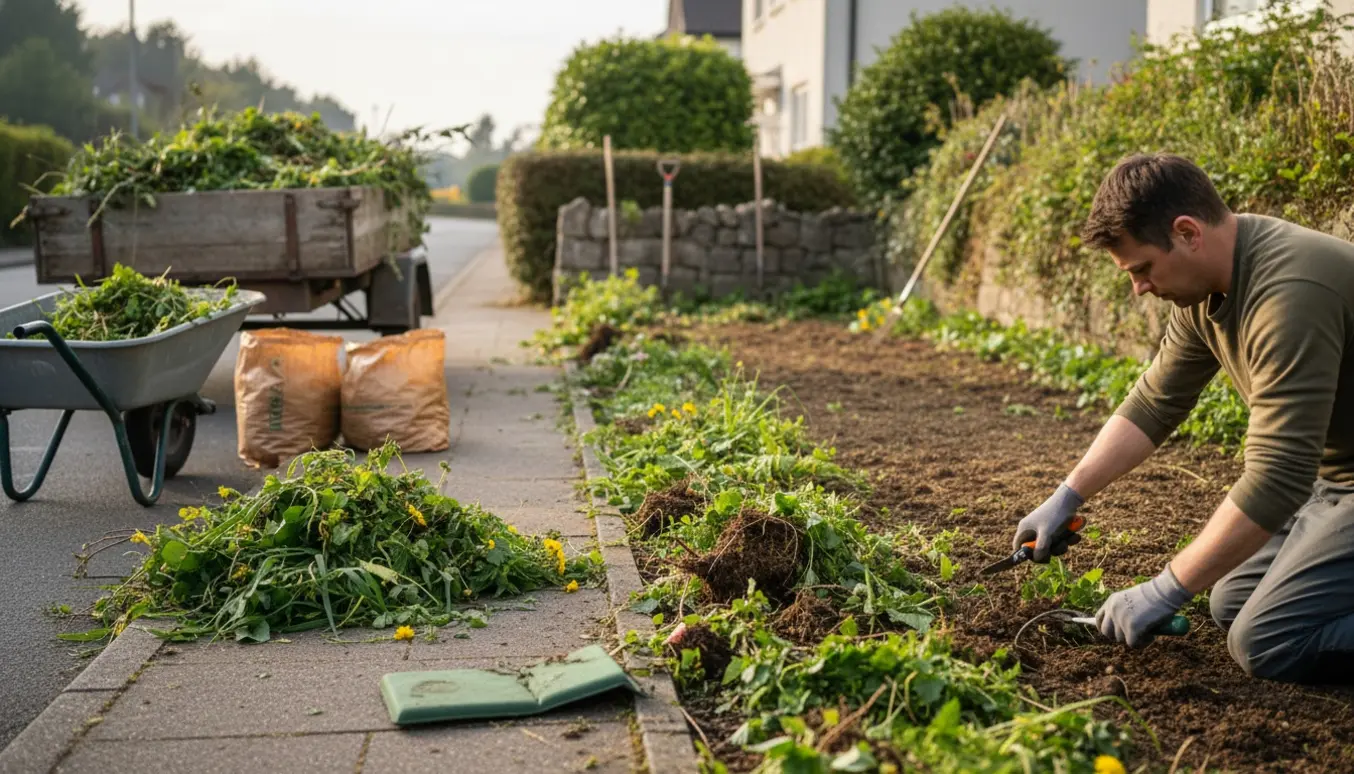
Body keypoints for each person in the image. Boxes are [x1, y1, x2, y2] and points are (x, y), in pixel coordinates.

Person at [1011, 152, 1354, 684]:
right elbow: (1155, 402)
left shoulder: (1290, 297)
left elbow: (1277, 478)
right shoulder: (1210, 287)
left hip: (1336, 482)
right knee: (1230, 601)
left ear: (1188, 232)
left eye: (1143, 269)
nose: (1139, 288)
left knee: (1267, 640)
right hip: (1337, 481)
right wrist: (1067, 495)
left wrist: (1163, 588)